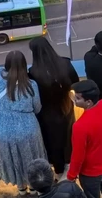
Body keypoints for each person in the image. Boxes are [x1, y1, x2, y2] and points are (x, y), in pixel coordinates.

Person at [0, 50, 46, 192]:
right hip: (27, 128)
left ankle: (20, 187)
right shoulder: (31, 84)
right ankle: (33, 186)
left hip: (3, 129)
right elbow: (37, 108)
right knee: (31, 158)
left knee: (13, 159)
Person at [28, 35, 78, 177]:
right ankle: (71, 164)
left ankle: (59, 171)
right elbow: (75, 82)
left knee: (53, 142)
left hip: (47, 113)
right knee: (68, 137)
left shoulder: (33, 72)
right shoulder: (65, 63)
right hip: (66, 107)